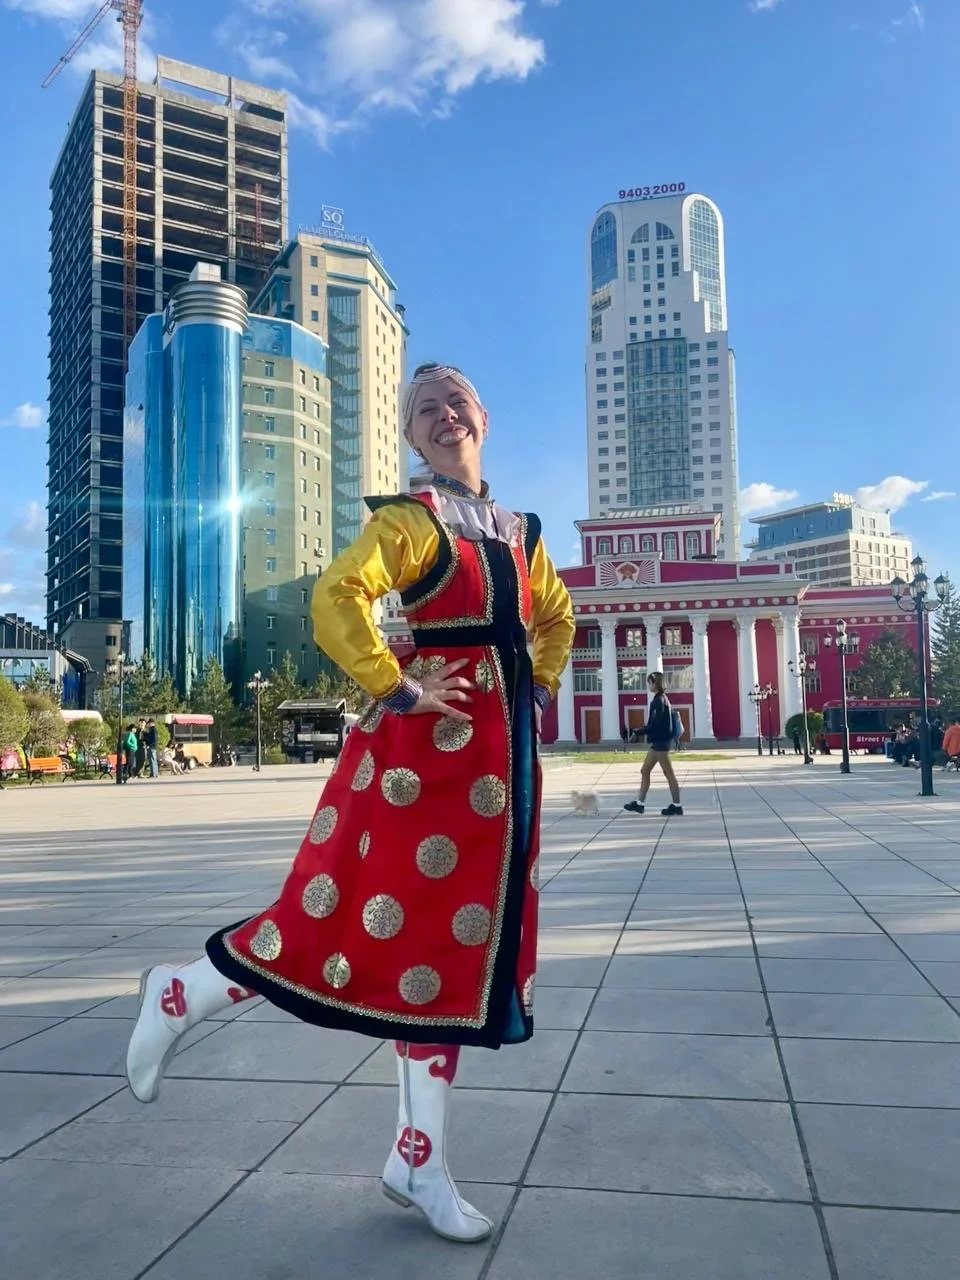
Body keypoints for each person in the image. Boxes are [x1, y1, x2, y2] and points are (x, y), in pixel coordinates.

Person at [124, 362, 575, 1243]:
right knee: (337, 923)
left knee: (452, 956)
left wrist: (540, 684)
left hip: (500, 774)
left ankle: (416, 1158)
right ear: (411, 436)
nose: (444, 415)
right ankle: (183, 992)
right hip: (421, 769)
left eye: (456, 401)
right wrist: (400, 687)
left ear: (484, 417)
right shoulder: (411, 521)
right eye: (424, 408)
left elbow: (555, 617)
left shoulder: (521, 534)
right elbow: (338, 600)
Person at [623, 672, 683, 816]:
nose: (648, 685)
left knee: (669, 773)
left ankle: (677, 806)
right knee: (645, 770)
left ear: (655, 683)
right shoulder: (663, 699)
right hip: (659, 742)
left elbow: (654, 725)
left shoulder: (658, 701)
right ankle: (640, 804)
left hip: (661, 743)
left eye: (649, 682)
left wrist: (638, 731)